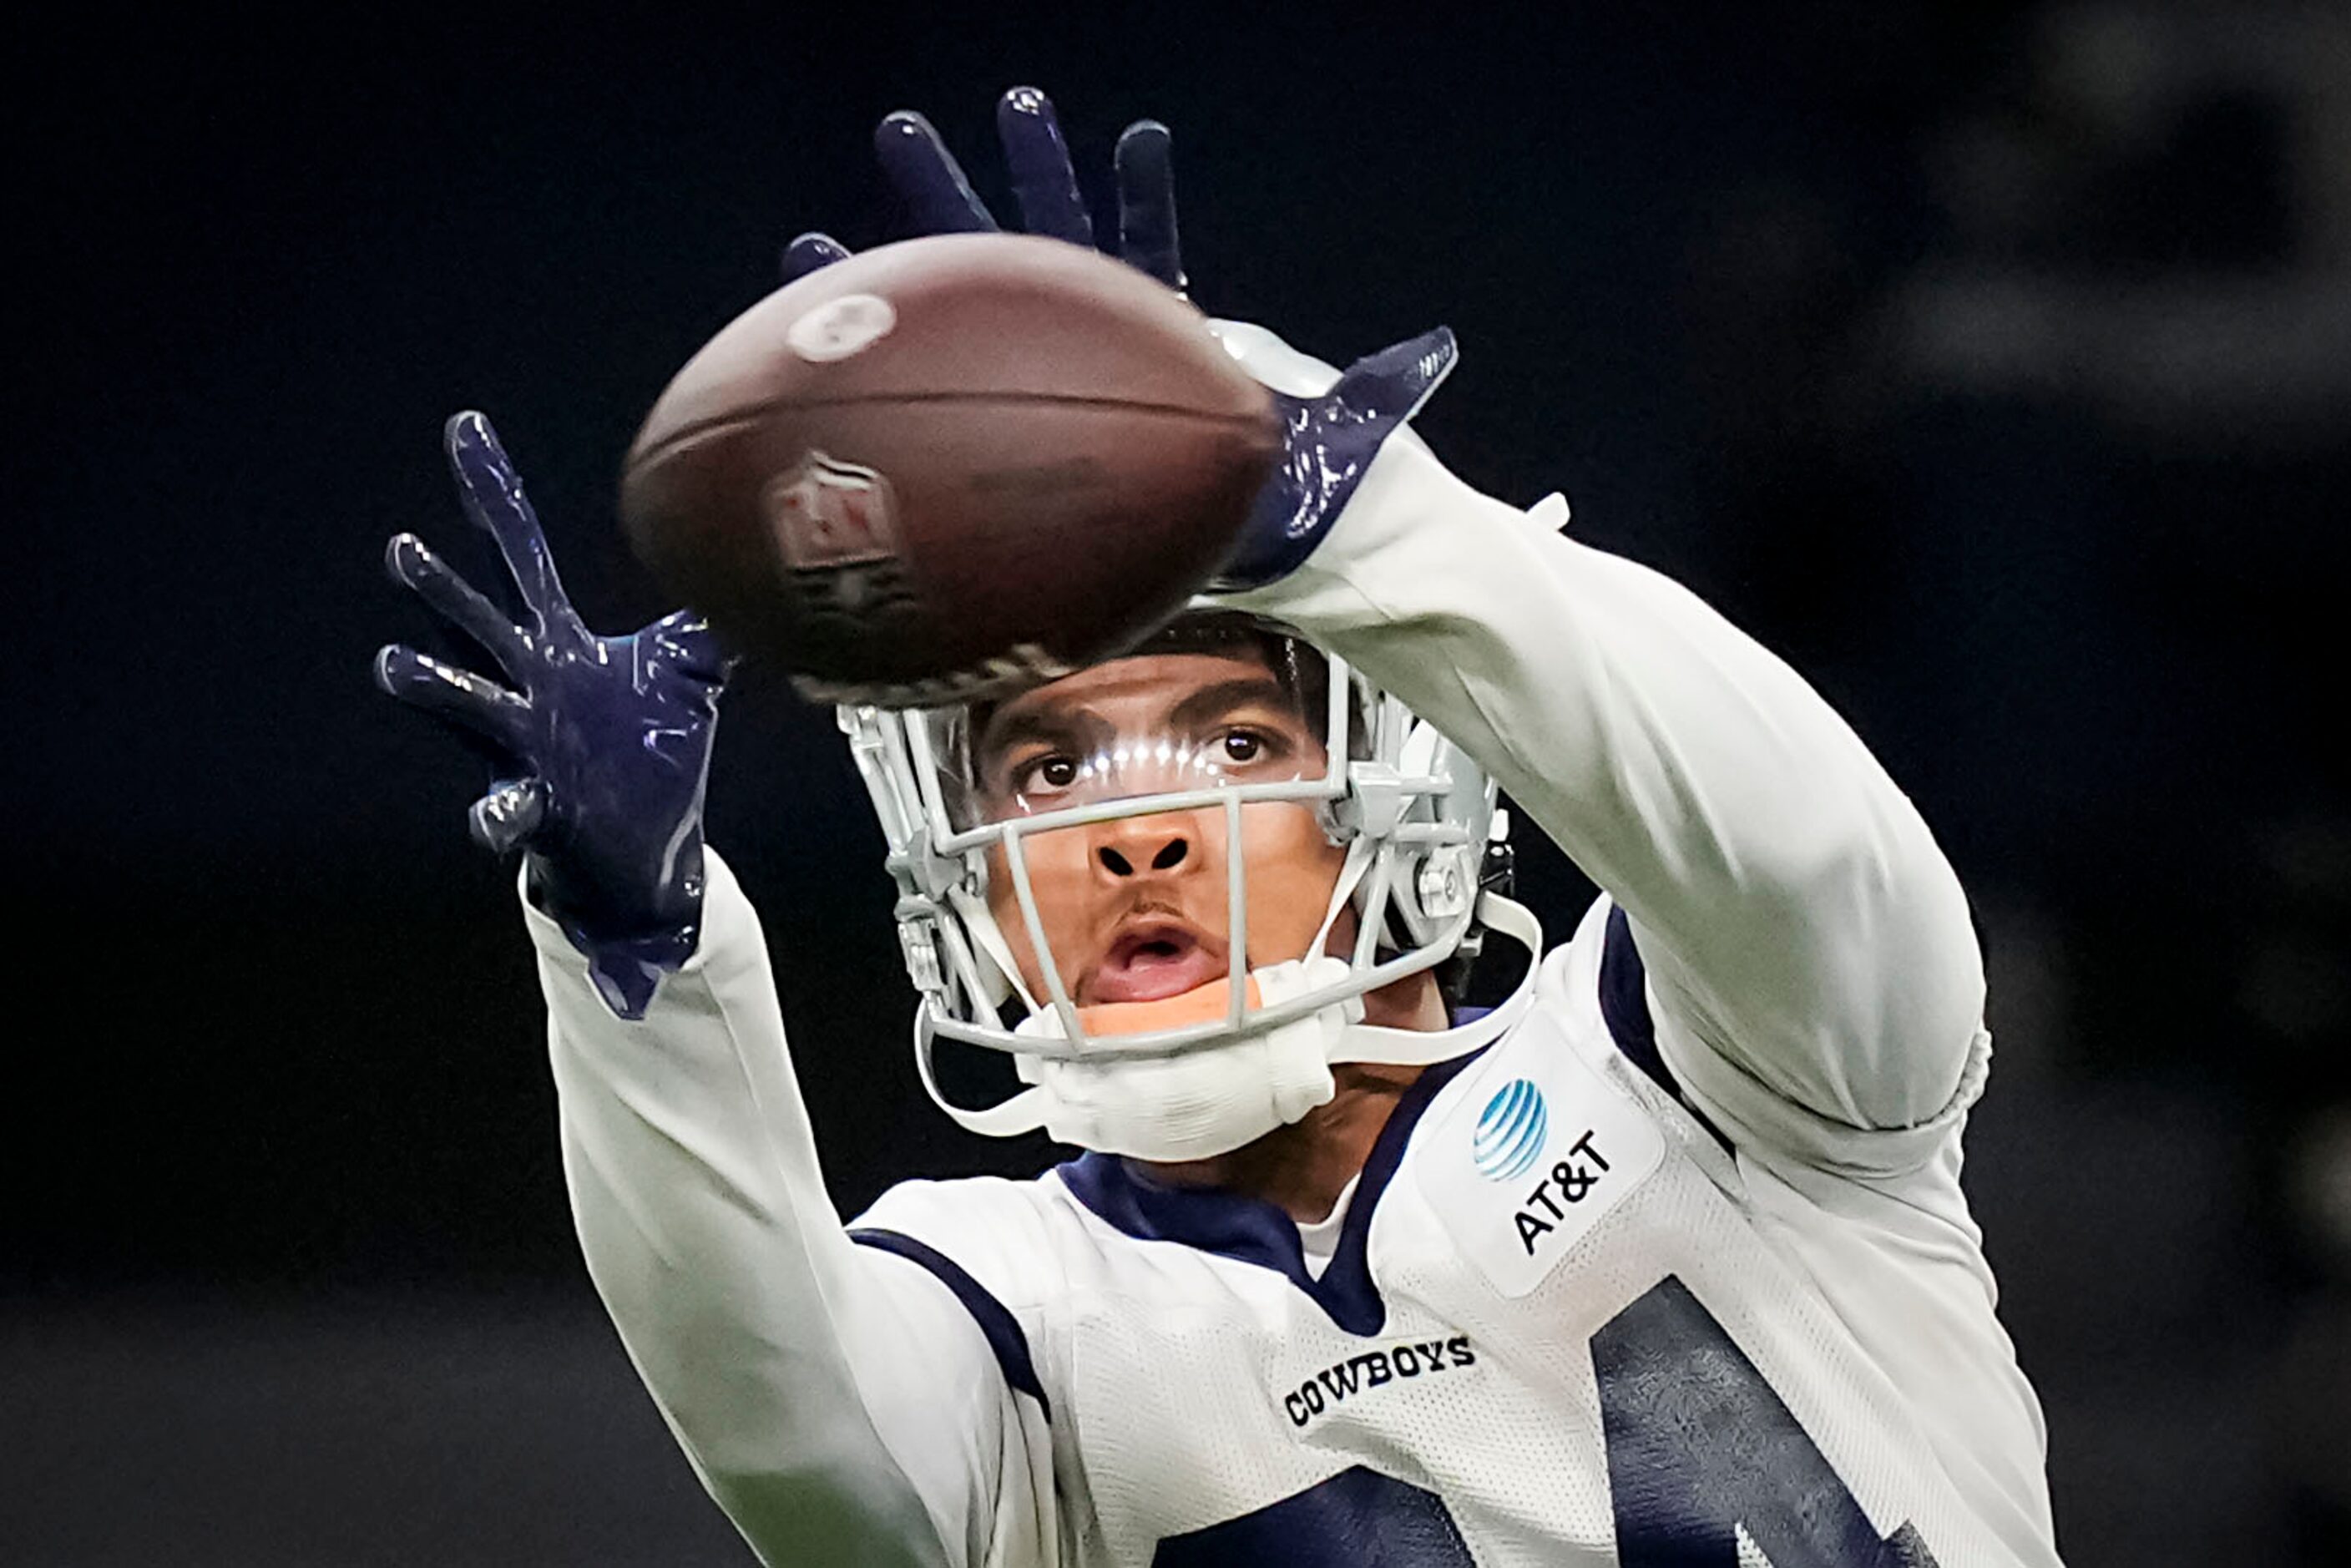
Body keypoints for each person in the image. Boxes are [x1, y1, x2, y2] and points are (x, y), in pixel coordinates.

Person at [377, 89, 2063, 1568]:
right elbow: (788, 1427)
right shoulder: (1012, 1310)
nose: (1137, 833)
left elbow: (1812, 857)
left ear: (1397, 798)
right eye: (1046, 773)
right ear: (967, 883)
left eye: (1230, 739)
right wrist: (639, 954)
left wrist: (1354, 526)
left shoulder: (1699, 1063)